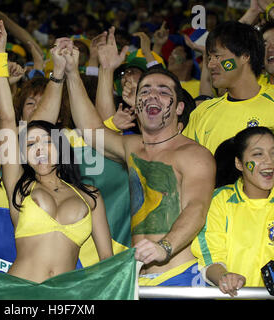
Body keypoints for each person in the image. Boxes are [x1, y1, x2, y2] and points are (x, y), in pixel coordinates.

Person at [63, 28, 216, 286]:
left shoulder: (194, 154)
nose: (152, 95)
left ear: (179, 107)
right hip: (136, 278)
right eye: (144, 91)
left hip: (177, 274)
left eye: (163, 91)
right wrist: (71, 72)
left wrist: (164, 248)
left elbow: (196, 209)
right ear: (137, 105)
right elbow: (91, 130)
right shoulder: (133, 147)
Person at [0, 20, 113, 283]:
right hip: (18, 293)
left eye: (46, 142)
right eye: (30, 145)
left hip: (67, 298)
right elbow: (8, 120)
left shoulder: (91, 197)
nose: (39, 150)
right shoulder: (18, 186)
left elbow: (107, 264)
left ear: (61, 147)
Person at [191, 126, 274, 297]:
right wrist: (224, 277)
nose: (269, 161)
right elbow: (210, 257)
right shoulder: (218, 200)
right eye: (258, 154)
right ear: (239, 163)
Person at [183, 21, 274, 155]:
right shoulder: (202, 113)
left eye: (217, 56)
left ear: (245, 56)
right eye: (209, 58)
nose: (210, 65)